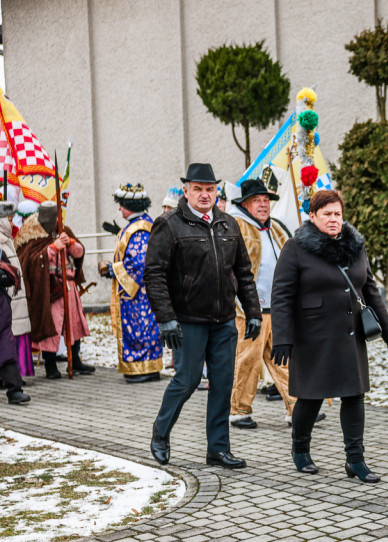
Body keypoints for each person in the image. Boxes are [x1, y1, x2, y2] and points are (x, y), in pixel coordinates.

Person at [270, 189, 388, 476]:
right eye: (326, 214)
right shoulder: (295, 248)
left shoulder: (356, 246)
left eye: (337, 214)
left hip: (349, 334)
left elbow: (370, 290)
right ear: (312, 216)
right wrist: (283, 337)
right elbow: (281, 296)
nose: (333, 219)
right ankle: (300, 449)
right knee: (310, 396)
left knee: (354, 395)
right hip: (312, 336)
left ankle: (356, 460)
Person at [144, 163, 262, 469]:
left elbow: (243, 274)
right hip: (187, 320)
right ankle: (160, 432)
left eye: (210, 189)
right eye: (197, 189)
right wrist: (166, 318)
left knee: (222, 383)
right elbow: (154, 275)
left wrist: (252, 311)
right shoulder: (169, 224)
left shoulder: (228, 224)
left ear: (217, 191)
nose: (204, 194)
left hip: (224, 320)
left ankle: (218, 449)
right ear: (186, 191)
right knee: (187, 380)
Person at [227, 178, 306, 428]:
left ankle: (297, 407)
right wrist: (239, 303)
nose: (263, 205)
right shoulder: (237, 227)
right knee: (247, 361)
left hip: (278, 308)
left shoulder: (275, 229)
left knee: (284, 359)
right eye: (257, 201)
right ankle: (239, 410)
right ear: (246, 204)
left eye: (266, 200)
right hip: (249, 309)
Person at [14, 201, 94, 379]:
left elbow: (79, 253)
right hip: (49, 288)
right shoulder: (33, 233)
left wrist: (71, 243)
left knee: (73, 323)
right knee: (53, 325)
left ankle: (76, 361)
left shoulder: (65, 230)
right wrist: (52, 248)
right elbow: (31, 259)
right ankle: (51, 365)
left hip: (69, 285)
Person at [98, 183, 163, 383]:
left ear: (130, 205)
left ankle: (143, 369)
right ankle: (144, 369)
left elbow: (139, 264)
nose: (119, 208)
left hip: (138, 294)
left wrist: (110, 269)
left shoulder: (140, 228)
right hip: (139, 293)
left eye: (121, 205)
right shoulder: (138, 225)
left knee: (140, 330)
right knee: (141, 330)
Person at [0, 201, 32, 378]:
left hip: (12, 297)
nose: (13, 224)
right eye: (9, 219)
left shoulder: (7, 238)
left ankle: (13, 377)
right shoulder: (1, 239)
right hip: (6, 298)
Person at [0, 242, 29, 404]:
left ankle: (15, 390)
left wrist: (4, 276)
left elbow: (11, 275)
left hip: (1, 311)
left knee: (7, 349)